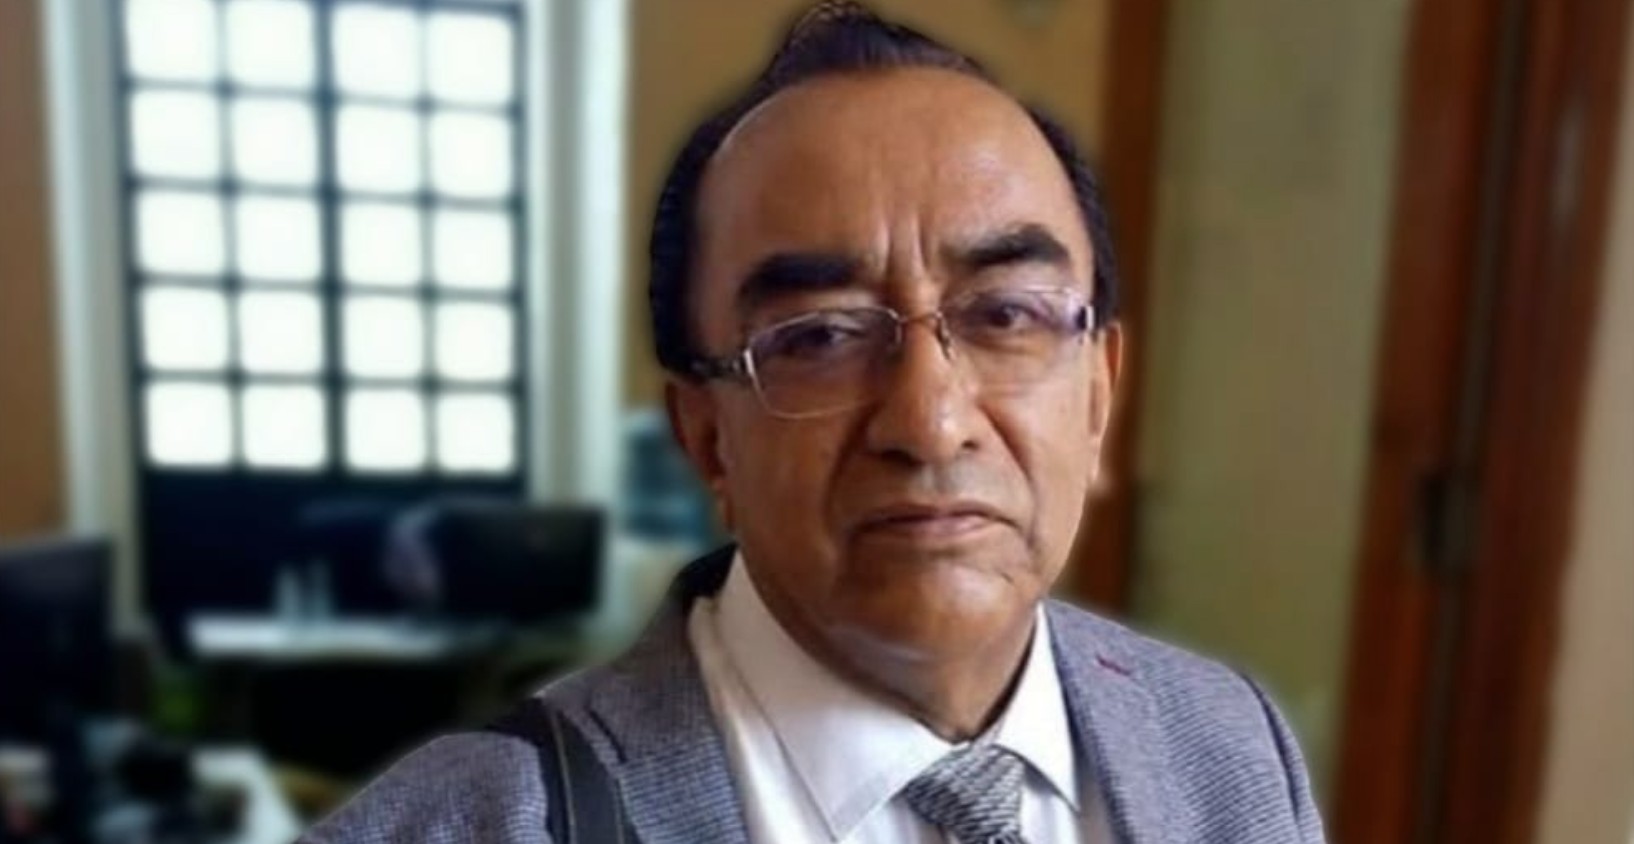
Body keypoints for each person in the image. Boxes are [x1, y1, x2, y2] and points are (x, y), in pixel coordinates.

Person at [301, 3, 1325, 842]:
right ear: (706, 435)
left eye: (1006, 315)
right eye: (820, 336)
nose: (930, 423)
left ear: (1097, 393)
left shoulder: (1227, 746)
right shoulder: (463, 824)